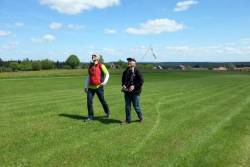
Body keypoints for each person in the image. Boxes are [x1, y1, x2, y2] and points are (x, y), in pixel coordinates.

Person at [84, 53, 110, 121]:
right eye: (92, 56)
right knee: (89, 102)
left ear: (98, 58)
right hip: (90, 88)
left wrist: (104, 82)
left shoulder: (101, 65)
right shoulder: (90, 66)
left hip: (99, 87)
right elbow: (88, 77)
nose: (93, 57)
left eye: (94, 56)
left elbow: (107, 74)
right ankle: (90, 116)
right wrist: (86, 86)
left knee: (102, 101)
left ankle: (107, 112)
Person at [121, 57, 144, 124]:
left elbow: (141, 81)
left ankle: (141, 117)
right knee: (127, 107)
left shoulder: (137, 71)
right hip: (127, 92)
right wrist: (123, 86)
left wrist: (134, 86)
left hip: (135, 92)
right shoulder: (125, 71)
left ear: (135, 63)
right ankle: (128, 120)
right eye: (128, 61)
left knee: (136, 107)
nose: (129, 62)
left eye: (131, 61)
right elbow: (123, 81)